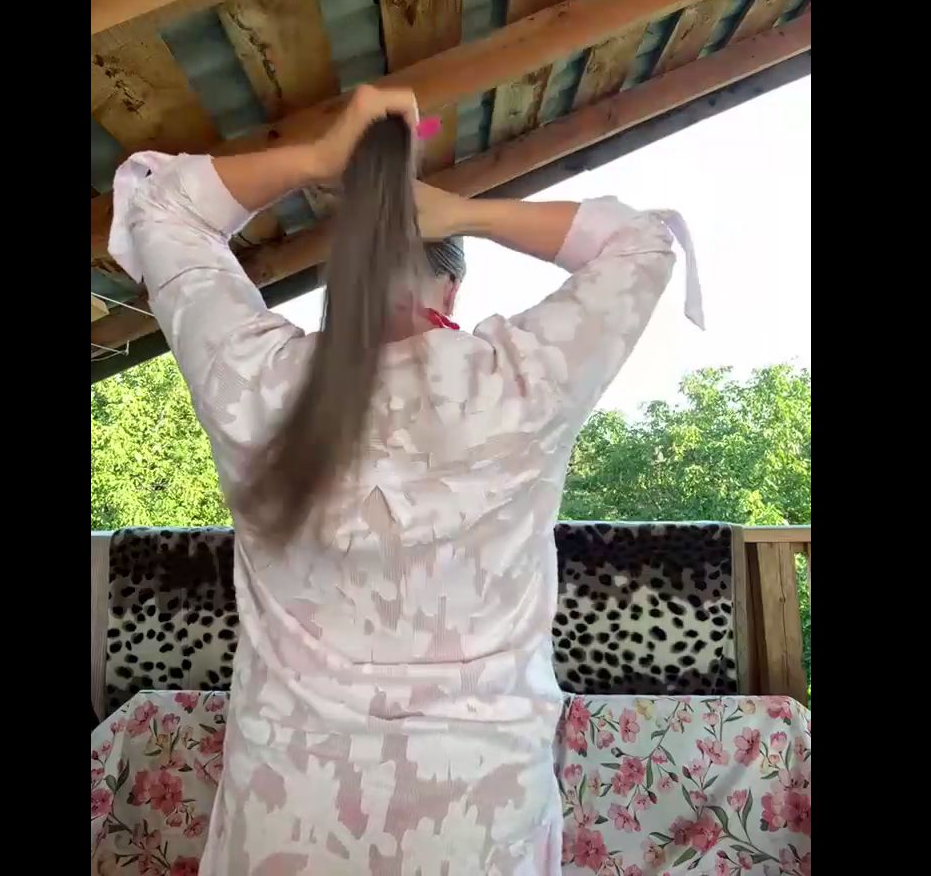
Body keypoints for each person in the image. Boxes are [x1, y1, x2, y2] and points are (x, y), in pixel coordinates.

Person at [107, 85, 703, 875]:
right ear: (450, 288)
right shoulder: (517, 381)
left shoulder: (259, 381)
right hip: (479, 823)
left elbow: (162, 206)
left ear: (339, 271)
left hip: (286, 814)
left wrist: (318, 159)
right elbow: (644, 244)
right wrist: (464, 212)